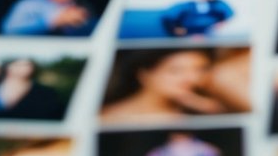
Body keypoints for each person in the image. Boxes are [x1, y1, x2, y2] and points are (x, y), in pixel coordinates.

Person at [99, 48, 249, 120]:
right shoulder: (106, 116)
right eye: (175, 71)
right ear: (145, 75)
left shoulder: (205, 112)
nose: (192, 79)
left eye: (200, 70)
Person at [0, 0, 95, 36]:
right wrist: (53, 21)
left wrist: (82, 21)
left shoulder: (77, 5)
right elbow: (9, 31)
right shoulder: (28, 4)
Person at [160, 0, 234, 37]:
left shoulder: (210, 22)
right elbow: (167, 17)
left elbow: (228, 13)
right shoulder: (187, 6)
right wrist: (174, 28)